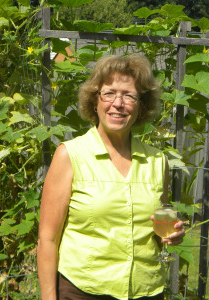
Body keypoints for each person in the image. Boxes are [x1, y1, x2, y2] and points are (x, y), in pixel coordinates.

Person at [37, 54, 185, 300]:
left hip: (146, 291)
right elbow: (47, 239)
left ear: (141, 106)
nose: (118, 103)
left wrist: (173, 235)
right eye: (109, 93)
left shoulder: (157, 161)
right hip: (83, 291)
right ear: (94, 100)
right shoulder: (70, 155)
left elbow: (159, 229)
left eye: (129, 95)